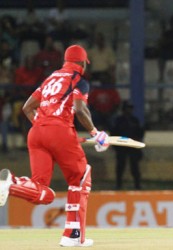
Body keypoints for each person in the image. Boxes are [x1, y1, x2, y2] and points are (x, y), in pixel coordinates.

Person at [0, 45, 110, 247]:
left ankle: (11, 184)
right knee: (81, 178)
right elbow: (79, 109)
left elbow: (27, 108)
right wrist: (96, 133)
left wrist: (46, 128)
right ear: (83, 62)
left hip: (36, 133)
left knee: (44, 192)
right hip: (58, 130)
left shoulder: (50, 78)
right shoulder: (79, 80)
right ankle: (73, 235)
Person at [110, 101, 144, 190]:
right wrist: (114, 144)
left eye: (130, 108)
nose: (129, 110)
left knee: (134, 166)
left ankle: (137, 184)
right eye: (128, 108)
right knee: (120, 166)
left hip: (132, 146)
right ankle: (118, 184)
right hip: (121, 146)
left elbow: (140, 132)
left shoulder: (134, 120)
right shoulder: (118, 120)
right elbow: (113, 132)